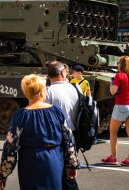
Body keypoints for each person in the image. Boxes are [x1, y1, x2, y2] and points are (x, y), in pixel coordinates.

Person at [0, 74, 78, 190]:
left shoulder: (20, 116)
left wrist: (3, 174)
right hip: (54, 160)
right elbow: (69, 140)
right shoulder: (56, 112)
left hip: (30, 162)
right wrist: (72, 165)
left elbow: (10, 147)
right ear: (41, 92)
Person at [46, 61, 81, 190]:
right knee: (69, 174)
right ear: (62, 73)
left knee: (59, 175)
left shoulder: (49, 92)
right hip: (73, 136)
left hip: (57, 138)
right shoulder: (75, 88)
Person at [102, 55, 129, 167]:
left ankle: (113, 157)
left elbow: (113, 92)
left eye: (118, 63)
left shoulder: (119, 75)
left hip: (121, 106)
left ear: (121, 65)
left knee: (113, 131)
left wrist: (111, 84)